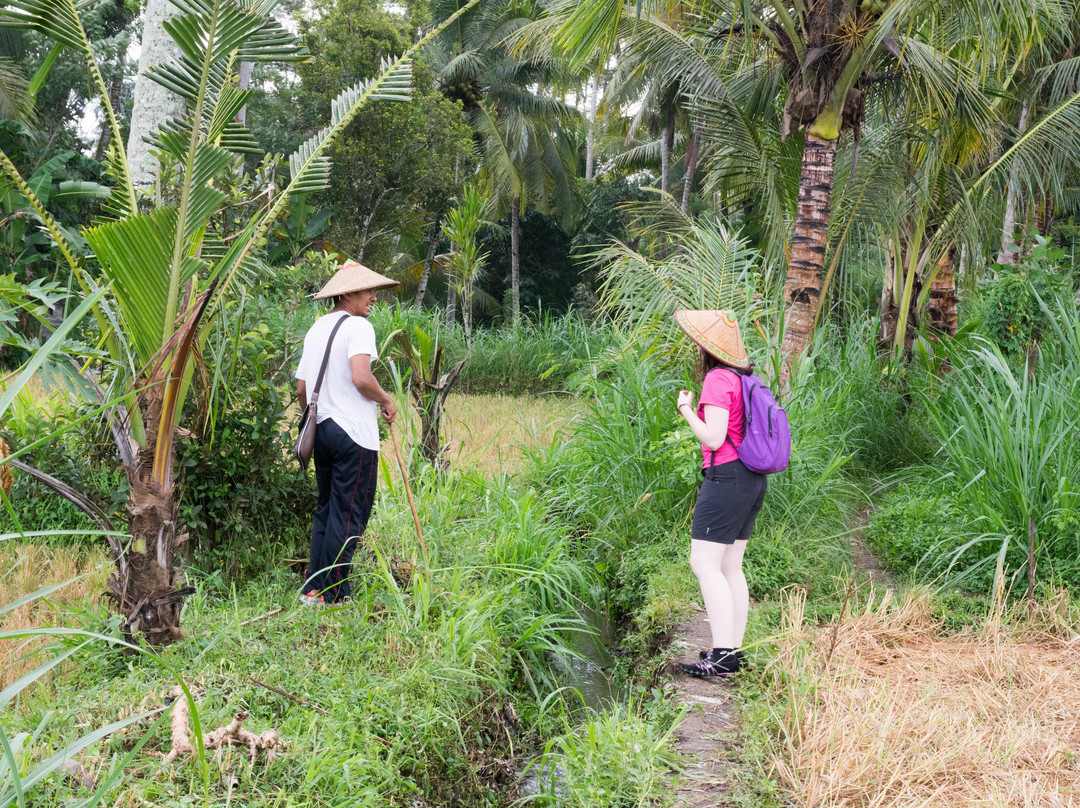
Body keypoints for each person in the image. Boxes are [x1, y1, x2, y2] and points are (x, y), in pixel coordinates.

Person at [295, 261, 398, 604]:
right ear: (349, 292)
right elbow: (361, 377)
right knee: (349, 513)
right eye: (369, 291)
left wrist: (323, 409)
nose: (373, 298)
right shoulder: (358, 327)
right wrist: (386, 399)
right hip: (354, 436)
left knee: (327, 508)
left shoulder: (316, 330)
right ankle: (333, 593)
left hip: (322, 430)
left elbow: (301, 388)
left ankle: (313, 588)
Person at [673, 310, 766, 676]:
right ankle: (732, 651)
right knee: (730, 567)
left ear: (706, 349)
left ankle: (722, 653)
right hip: (751, 478)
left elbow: (713, 437)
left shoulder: (716, 379)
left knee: (704, 564)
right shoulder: (743, 378)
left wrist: (685, 409)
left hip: (726, 477)